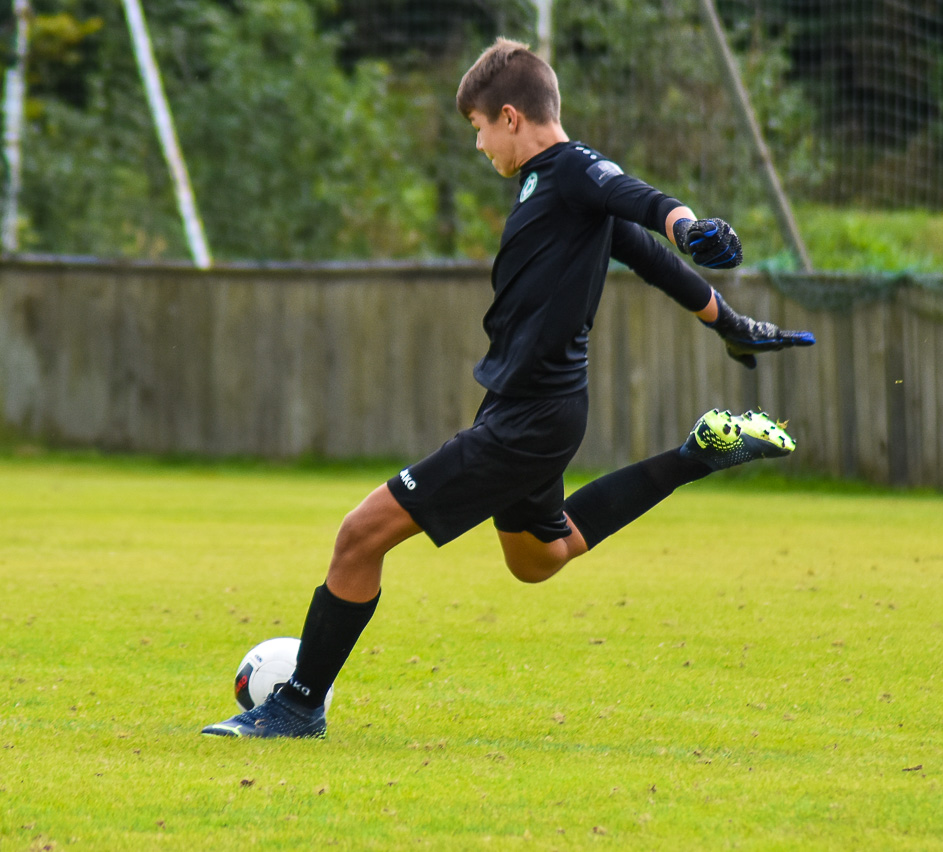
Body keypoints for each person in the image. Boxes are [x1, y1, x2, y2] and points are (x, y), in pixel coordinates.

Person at [202, 37, 814, 739]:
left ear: (511, 116)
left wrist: (689, 225)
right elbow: (650, 258)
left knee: (359, 536)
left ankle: (297, 707)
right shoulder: (548, 188)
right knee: (538, 559)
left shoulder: (573, 170)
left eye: (478, 127)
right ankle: (697, 454)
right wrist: (729, 323)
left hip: (531, 418)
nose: (478, 144)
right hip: (532, 410)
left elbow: (644, 204)